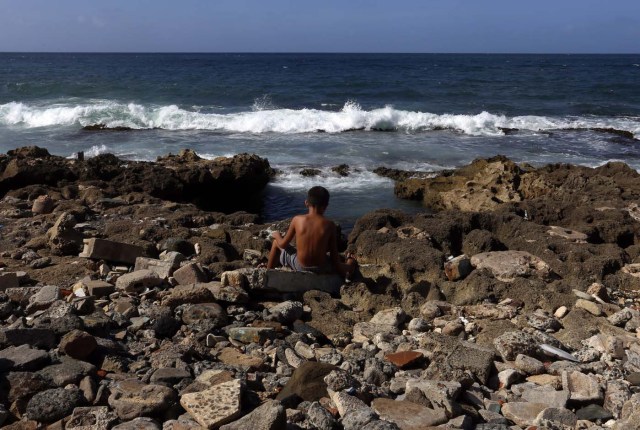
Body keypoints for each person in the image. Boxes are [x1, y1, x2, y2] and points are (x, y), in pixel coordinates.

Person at [267, 186, 357, 279]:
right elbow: (335, 261)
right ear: (326, 206)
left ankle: (268, 274)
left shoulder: (297, 220)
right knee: (339, 261)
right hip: (321, 268)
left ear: (306, 203)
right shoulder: (330, 225)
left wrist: (277, 235)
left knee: (275, 243)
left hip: (300, 266)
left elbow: (282, 244)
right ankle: (351, 264)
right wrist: (347, 264)